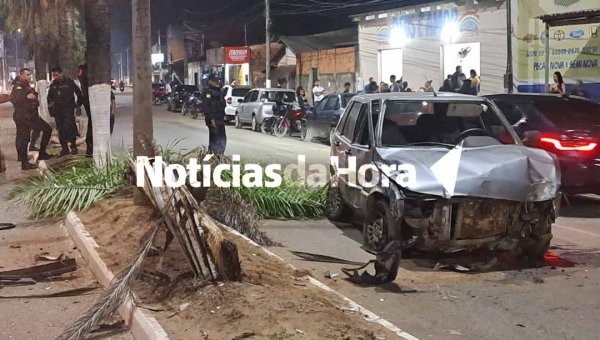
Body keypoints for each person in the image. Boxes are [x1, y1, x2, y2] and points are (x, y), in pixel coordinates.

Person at [10, 69, 54, 170]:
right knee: (23, 139)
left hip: (32, 116)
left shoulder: (28, 86)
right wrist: (26, 97)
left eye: (30, 75)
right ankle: (24, 162)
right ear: (21, 76)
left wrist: (34, 98)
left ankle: (42, 152)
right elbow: (14, 100)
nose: (30, 76)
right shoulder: (18, 86)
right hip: (23, 117)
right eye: (27, 75)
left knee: (47, 129)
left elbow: (35, 98)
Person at [48, 66, 83, 156]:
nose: (55, 77)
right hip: (58, 112)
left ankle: (74, 147)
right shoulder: (53, 85)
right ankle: (64, 149)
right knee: (61, 130)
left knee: (70, 129)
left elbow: (79, 93)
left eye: (56, 75)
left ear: (61, 73)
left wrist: (78, 105)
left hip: (68, 110)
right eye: (53, 76)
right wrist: (51, 107)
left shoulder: (69, 82)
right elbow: (49, 97)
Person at [201, 74, 227, 154]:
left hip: (220, 118)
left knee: (222, 137)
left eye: (217, 81)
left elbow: (222, 104)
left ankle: (218, 155)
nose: (216, 82)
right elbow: (206, 106)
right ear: (210, 82)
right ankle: (214, 155)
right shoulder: (208, 92)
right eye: (214, 81)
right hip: (213, 118)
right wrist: (211, 118)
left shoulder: (220, 91)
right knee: (215, 138)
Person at [78, 64, 94, 156]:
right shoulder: (84, 68)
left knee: (92, 124)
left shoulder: (83, 69)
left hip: (87, 98)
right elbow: (83, 86)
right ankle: (90, 147)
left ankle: (90, 148)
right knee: (92, 124)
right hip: (88, 98)